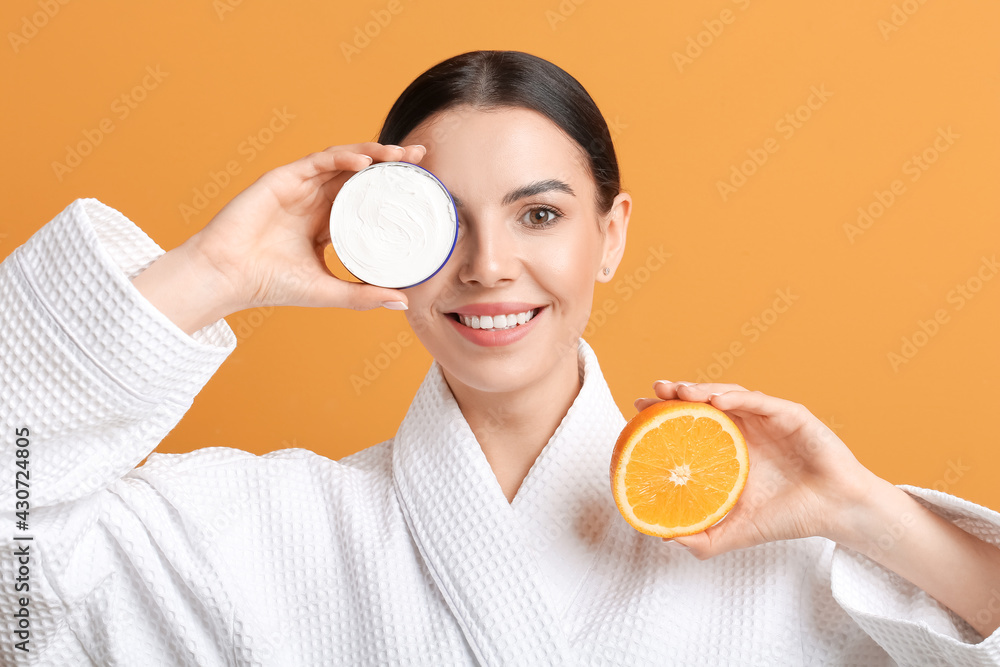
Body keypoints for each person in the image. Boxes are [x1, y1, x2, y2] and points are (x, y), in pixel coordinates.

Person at [2, 49, 1000, 666]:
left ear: (608, 234)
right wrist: (211, 271)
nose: (488, 265)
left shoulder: (776, 546)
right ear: (378, 234)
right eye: (441, 220)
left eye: (539, 213)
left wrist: (866, 513)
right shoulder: (259, 531)